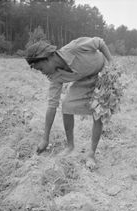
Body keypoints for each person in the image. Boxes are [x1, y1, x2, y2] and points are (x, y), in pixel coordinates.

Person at [25, 37, 113, 170]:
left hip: (103, 74)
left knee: (98, 111)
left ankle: (91, 154)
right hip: (85, 79)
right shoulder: (54, 76)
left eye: (40, 68)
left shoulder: (74, 48)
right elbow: (52, 105)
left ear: (46, 58)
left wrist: (111, 63)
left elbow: (99, 42)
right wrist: (45, 138)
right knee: (66, 105)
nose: (42, 73)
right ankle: (70, 146)